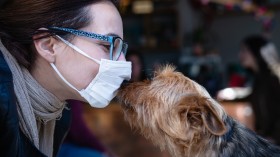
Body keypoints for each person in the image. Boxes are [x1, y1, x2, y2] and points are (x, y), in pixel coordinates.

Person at [0, 0, 131, 157]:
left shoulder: (58, 114)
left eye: (120, 48)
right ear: (47, 45)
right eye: (107, 46)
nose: (123, 62)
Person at [239, 34, 280, 145]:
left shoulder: (273, 78)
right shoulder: (258, 79)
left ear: (256, 52)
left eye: (244, 50)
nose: (240, 55)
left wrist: (275, 137)